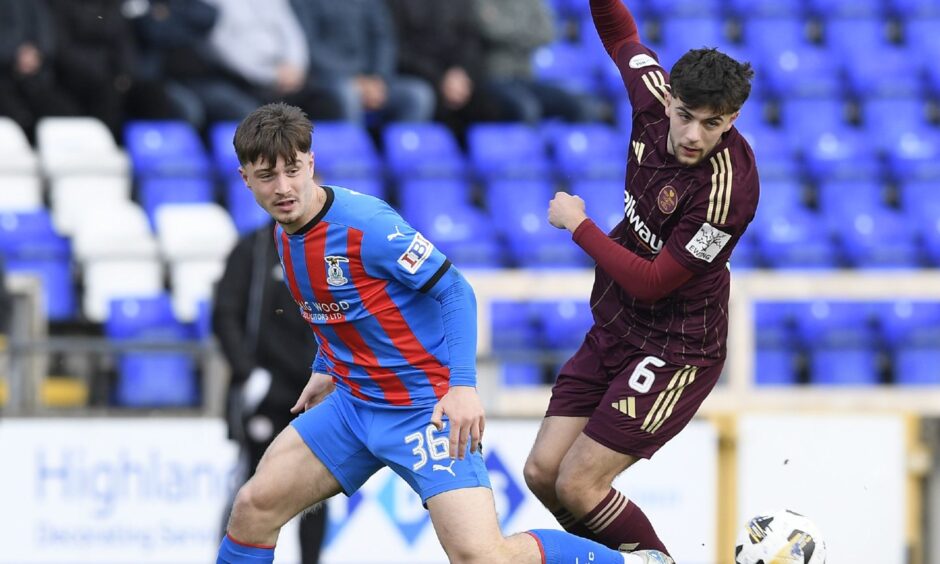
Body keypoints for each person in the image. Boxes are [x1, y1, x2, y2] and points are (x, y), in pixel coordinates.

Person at [216, 102, 674, 564]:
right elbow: (338, 306)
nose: (283, 188)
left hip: (424, 412)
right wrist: (325, 364)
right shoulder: (282, 234)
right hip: (353, 408)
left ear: (310, 163)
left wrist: (461, 387)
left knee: (482, 557)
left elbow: (456, 291)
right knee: (253, 507)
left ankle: (633, 563)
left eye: (293, 170)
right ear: (245, 179)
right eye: (267, 176)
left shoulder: (367, 226)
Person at [523, 0, 759, 558]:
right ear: (670, 100)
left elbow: (654, 282)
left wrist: (578, 225)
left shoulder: (728, 193)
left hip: (677, 347)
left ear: (733, 120)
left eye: (713, 124)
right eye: (685, 115)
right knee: (541, 473)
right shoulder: (652, 96)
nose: (694, 135)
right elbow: (619, 31)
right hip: (616, 324)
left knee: (579, 484)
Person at [212, 221, 327, 563]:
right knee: (251, 491)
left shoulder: (330, 252)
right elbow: (225, 314)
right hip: (267, 394)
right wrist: (248, 374)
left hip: (315, 394)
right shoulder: (254, 248)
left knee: (316, 494)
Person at [289, 0, 435, 125]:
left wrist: (379, 78)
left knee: (418, 95)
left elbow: (383, 38)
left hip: (372, 80)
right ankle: (353, 155)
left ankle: (401, 154)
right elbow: (308, 47)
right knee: (348, 94)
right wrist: (355, 80)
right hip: (325, 80)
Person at [474, 0, 603, 123]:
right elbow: (489, 30)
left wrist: (508, 32)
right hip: (494, 78)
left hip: (527, 78)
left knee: (582, 107)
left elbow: (548, 32)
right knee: (527, 108)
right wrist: (527, 33)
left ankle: (560, 144)